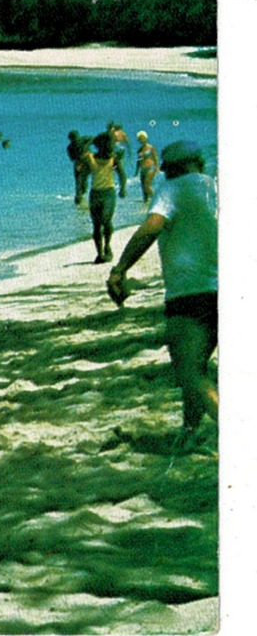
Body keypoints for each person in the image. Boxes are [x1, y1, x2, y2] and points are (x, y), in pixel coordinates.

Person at [106, 141, 218, 451]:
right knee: (198, 367)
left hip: (190, 295)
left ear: (170, 169)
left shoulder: (173, 189)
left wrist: (120, 269)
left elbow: (152, 227)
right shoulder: (217, 188)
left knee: (189, 370)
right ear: (199, 162)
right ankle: (190, 430)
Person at [81, 132, 120, 263]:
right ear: (101, 146)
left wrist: (124, 188)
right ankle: (100, 253)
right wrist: (81, 187)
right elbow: (85, 174)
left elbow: (121, 173)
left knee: (106, 220)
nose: (111, 146)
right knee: (96, 225)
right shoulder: (90, 158)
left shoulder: (114, 159)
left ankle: (107, 245)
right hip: (95, 194)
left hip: (109, 193)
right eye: (109, 144)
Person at [66, 130, 90, 208]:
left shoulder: (84, 140)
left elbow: (93, 139)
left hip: (87, 162)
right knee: (79, 183)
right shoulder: (70, 147)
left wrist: (87, 150)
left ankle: (80, 199)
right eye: (74, 139)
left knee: (81, 182)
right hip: (80, 164)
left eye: (76, 138)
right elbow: (73, 159)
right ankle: (79, 199)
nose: (76, 140)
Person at [108, 121, 131, 198]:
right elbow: (127, 143)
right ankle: (122, 189)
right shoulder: (123, 133)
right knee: (120, 171)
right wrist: (129, 152)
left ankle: (120, 188)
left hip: (116, 152)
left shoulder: (113, 132)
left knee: (115, 170)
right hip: (120, 151)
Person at [136, 130, 159, 204]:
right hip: (143, 169)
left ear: (146, 138)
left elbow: (155, 157)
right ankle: (146, 202)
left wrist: (157, 167)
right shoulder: (139, 150)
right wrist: (137, 171)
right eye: (140, 138)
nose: (141, 140)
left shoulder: (151, 147)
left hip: (151, 168)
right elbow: (138, 161)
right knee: (143, 186)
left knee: (147, 185)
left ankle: (156, 200)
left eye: (142, 138)